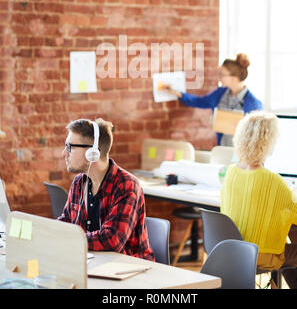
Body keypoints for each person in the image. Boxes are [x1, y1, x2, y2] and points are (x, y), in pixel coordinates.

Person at [220, 110, 297, 288]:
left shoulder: (231, 172)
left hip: (233, 251)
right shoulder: (273, 181)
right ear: (268, 143)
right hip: (261, 255)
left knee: (287, 246)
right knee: (291, 250)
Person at [58, 117, 155, 261]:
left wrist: (70, 239)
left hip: (129, 269)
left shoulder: (126, 185)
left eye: (70, 147)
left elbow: (112, 239)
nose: (64, 153)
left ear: (92, 153)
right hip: (93, 261)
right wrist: (49, 233)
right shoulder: (80, 182)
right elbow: (66, 221)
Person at [161, 53, 262, 146]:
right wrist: (177, 93)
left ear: (233, 77)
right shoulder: (220, 94)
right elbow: (200, 101)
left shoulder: (253, 104)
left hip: (243, 153)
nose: (219, 78)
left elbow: (257, 136)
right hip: (222, 148)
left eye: (222, 74)